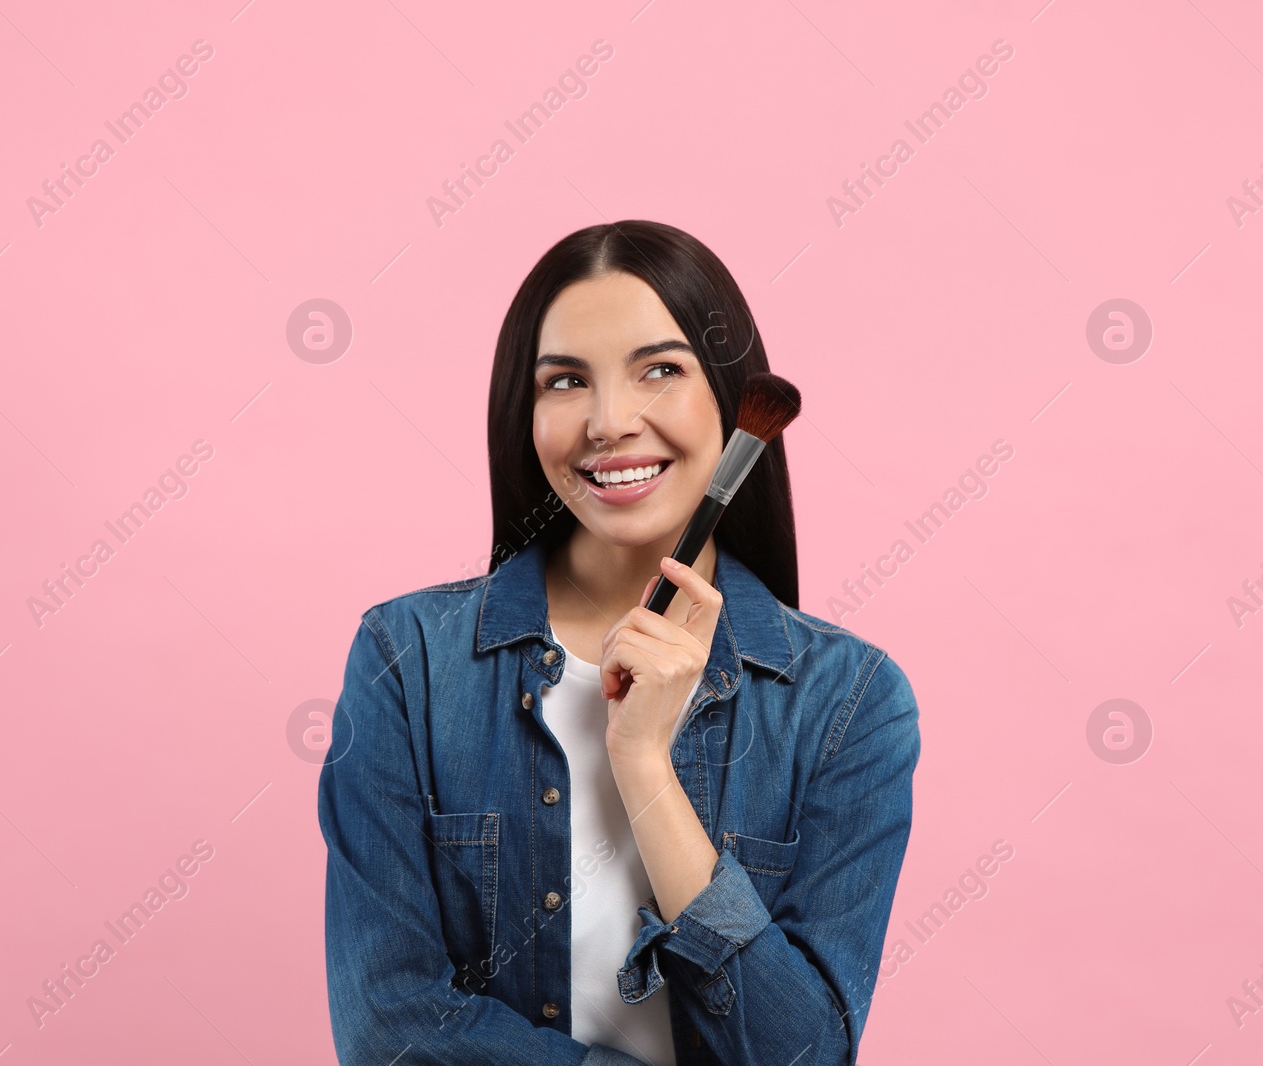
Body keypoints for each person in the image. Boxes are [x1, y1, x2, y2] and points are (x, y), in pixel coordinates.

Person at [318, 219, 921, 1065]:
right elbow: (389, 1029)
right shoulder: (405, 660)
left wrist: (644, 767)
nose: (608, 421)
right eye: (566, 381)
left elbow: (803, 1053)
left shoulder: (849, 701)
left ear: (729, 396)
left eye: (661, 370)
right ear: (523, 413)